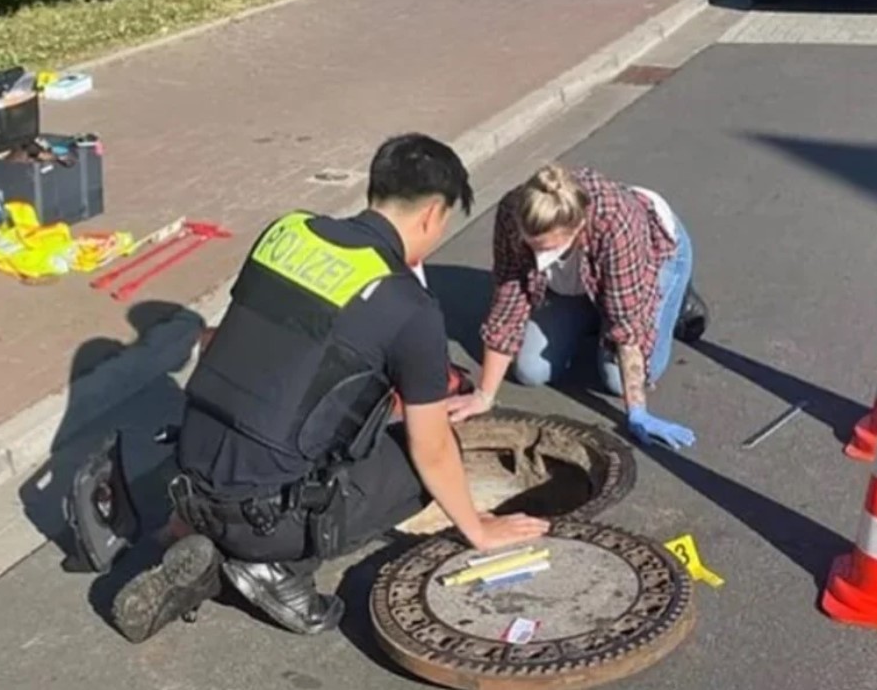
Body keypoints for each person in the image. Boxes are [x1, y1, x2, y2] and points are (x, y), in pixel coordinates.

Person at [110, 133, 551, 643]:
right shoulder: (409, 306)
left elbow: (222, 343)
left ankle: (200, 538)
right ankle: (275, 567)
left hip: (188, 477)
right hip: (265, 519)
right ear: (433, 214)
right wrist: (478, 527)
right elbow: (430, 448)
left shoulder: (287, 232)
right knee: (428, 454)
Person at [445, 163, 708, 450]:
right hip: (577, 273)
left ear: (578, 227)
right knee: (531, 370)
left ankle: (676, 299)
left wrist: (637, 412)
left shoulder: (617, 223)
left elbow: (628, 326)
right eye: (531, 246)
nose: (536, 257)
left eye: (547, 248)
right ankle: (596, 306)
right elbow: (510, 300)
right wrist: (484, 395)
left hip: (652, 255)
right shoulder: (513, 211)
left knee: (615, 380)